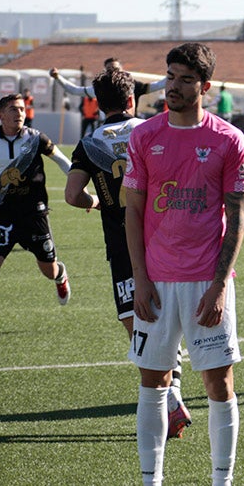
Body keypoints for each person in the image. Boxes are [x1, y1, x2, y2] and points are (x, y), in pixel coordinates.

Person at [123, 42, 244, 486]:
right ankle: (150, 480)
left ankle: (221, 480)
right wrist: (139, 279)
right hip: (155, 281)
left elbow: (237, 219)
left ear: (206, 87)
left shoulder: (229, 140)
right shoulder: (143, 136)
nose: (173, 87)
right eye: (170, 77)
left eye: (185, 80)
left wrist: (218, 288)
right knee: (153, 383)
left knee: (219, 385)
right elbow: (133, 211)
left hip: (206, 283)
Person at [63, 68, 192, 440]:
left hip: (121, 243)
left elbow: (72, 196)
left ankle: (168, 400)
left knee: (137, 325)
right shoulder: (154, 130)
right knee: (168, 320)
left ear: (97, 105)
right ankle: (175, 393)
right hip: (164, 238)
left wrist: (98, 204)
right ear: (133, 99)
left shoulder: (89, 145)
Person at [0, 93, 72, 340]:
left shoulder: (36, 139)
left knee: (48, 270)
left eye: (22, 109)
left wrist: (79, 186)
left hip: (35, 213)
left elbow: (62, 160)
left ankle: (60, 275)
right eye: (13, 109)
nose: (19, 113)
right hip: (4, 213)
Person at [50, 57, 167, 117]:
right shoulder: (101, 87)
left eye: (116, 69)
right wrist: (57, 78)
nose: (113, 72)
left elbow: (158, 85)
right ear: (105, 71)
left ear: (122, 69)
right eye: (110, 70)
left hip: (130, 128)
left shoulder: (133, 85)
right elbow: (74, 90)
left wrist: (176, 75)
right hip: (107, 130)